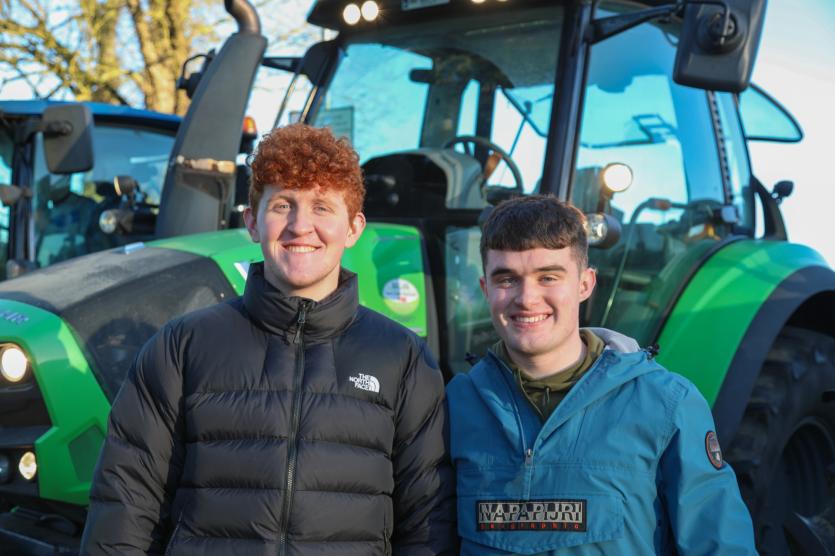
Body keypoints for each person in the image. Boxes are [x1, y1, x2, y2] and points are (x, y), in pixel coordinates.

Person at [81, 124, 456, 555]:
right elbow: (125, 508)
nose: (300, 226)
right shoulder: (181, 348)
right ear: (252, 222)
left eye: (321, 207)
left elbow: (428, 524)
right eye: (282, 205)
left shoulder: (402, 358)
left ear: (354, 228)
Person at [446, 195, 756, 554]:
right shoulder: (454, 405)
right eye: (507, 279)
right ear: (485, 289)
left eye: (548, 277)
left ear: (585, 284)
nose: (527, 298)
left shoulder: (667, 405)